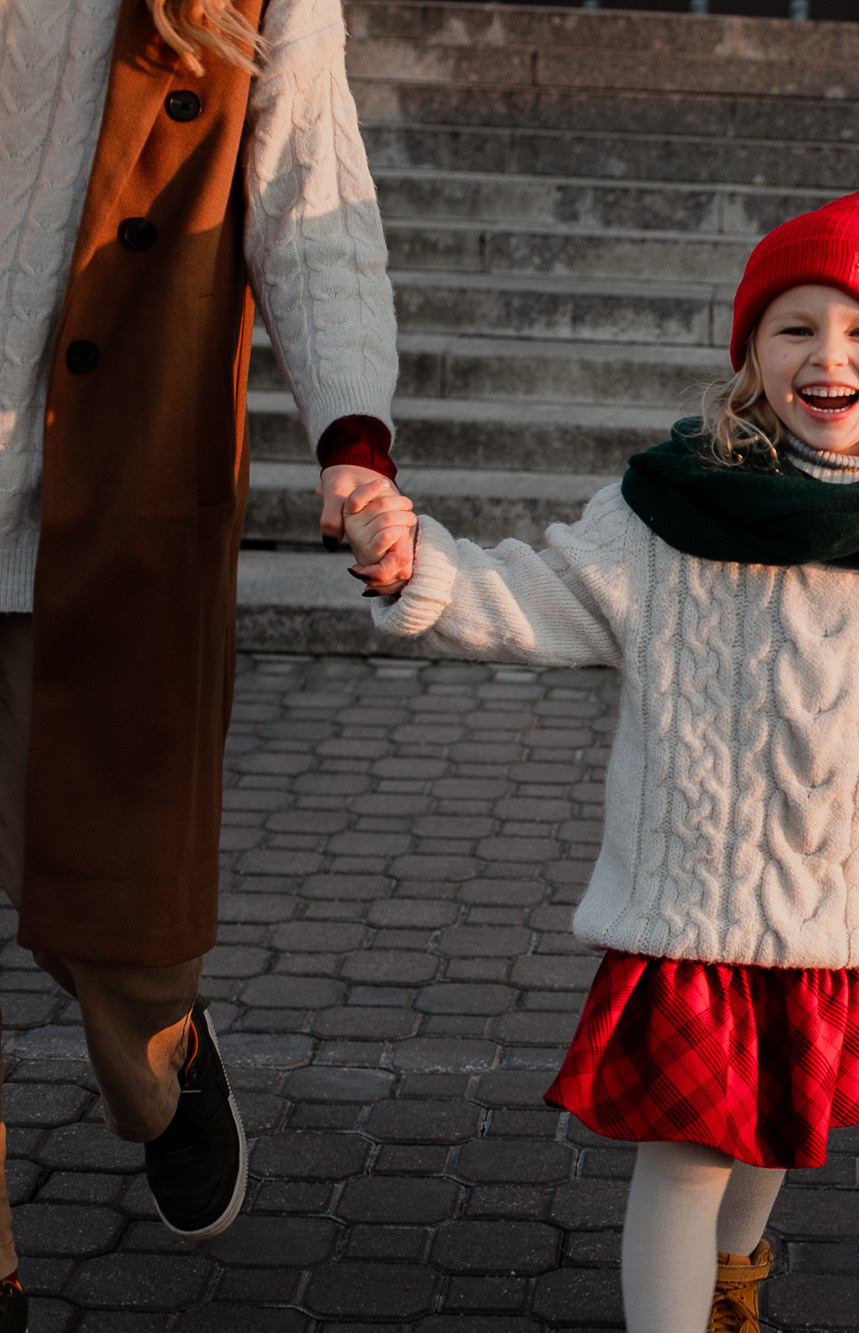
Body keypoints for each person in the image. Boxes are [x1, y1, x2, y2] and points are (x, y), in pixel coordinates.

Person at [344, 187, 859, 1333]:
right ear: (749, 356)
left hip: (831, 917)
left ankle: (734, 1275)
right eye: (795, 327)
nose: (828, 356)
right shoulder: (670, 511)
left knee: (783, 1128)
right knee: (686, 1159)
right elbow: (536, 592)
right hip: (691, 915)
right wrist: (413, 567)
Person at [0, 0, 401, 1319]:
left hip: (101, 485)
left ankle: (163, 1047)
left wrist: (352, 432)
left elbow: (306, 177)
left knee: (112, 905)